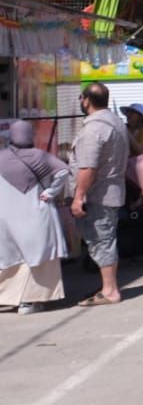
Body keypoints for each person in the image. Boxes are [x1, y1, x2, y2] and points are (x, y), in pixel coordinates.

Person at [0, 122, 72, 314]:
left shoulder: (1, 157)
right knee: (39, 256)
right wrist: (51, 192)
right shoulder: (41, 156)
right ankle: (29, 302)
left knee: (11, 257)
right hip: (35, 213)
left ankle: (7, 297)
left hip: (7, 216)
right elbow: (64, 170)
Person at [71, 83, 130, 305]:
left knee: (101, 240)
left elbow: (88, 167)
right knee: (105, 239)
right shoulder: (116, 122)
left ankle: (110, 290)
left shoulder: (95, 128)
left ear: (86, 100)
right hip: (112, 191)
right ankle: (109, 285)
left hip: (99, 194)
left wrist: (78, 197)